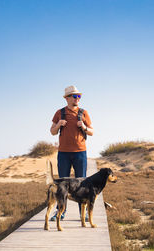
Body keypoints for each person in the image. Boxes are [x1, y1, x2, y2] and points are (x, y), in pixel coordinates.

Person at [49, 85, 94, 221]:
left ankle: (83, 213)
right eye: (75, 96)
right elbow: (52, 131)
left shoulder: (83, 112)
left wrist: (84, 127)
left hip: (80, 152)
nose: (77, 99)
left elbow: (92, 131)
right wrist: (59, 124)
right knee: (62, 185)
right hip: (63, 153)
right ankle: (60, 212)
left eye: (79, 96)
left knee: (82, 183)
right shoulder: (59, 113)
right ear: (67, 98)